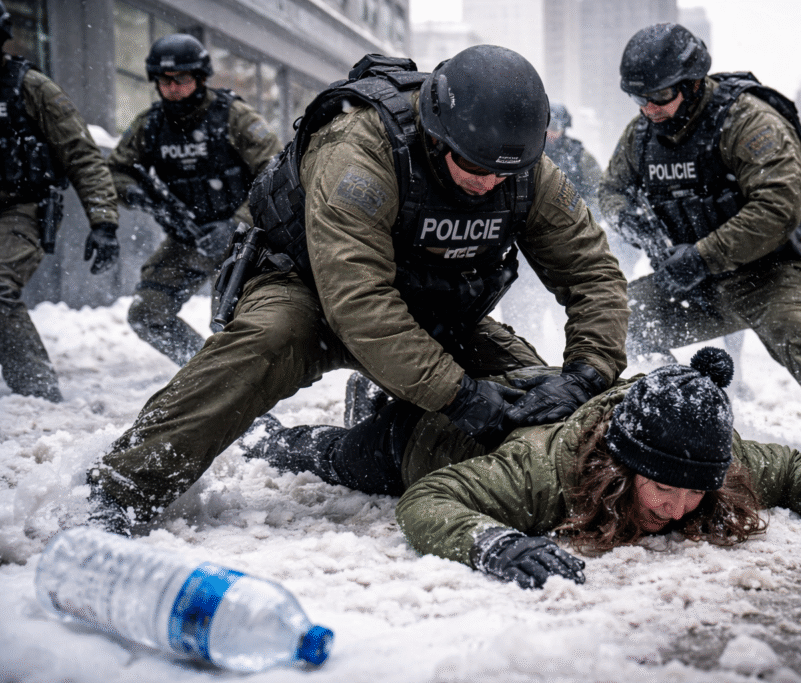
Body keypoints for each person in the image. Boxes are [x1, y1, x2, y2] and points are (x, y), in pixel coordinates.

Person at [78, 46, 628, 535]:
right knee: (264, 342)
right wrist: (458, 395)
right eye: (473, 167)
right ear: (438, 133)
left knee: (530, 404)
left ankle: (384, 423)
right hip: (310, 294)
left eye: (502, 175)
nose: (487, 184)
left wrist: (586, 374)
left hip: (433, 309)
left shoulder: (526, 170)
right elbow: (358, 302)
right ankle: (119, 490)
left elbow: (593, 274)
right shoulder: (360, 149)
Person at [238, 348, 801, 589]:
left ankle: (366, 403)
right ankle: (281, 436)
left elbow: (789, 468)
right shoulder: (541, 476)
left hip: (513, 399)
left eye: (694, 492)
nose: (679, 507)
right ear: (621, 467)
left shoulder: (694, 461)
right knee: (342, 455)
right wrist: (494, 541)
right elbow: (429, 499)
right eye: (664, 490)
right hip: (425, 441)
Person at [598, 23, 801, 481]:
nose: (649, 109)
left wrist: (701, 254)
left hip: (776, 271)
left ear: (692, 85)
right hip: (700, 282)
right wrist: (645, 233)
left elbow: (779, 206)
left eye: (659, 96)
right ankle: (660, 421)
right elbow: (611, 192)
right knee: (617, 323)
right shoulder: (641, 136)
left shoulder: (746, 121)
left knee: (798, 331)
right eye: (639, 99)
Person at [107, 33, 282, 366]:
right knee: (148, 313)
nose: (173, 87)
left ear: (200, 77)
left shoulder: (235, 116)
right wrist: (134, 194)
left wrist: (237, 223)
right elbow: (116, 170)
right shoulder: (151, 125)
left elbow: (275, 173)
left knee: (230, 326)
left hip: (243, 239)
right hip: (187, 237)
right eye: (165, 80)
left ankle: (243, 392)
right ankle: (204, 373)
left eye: (182, 79)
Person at [0, 1, 120, 403]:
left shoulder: (31, 87)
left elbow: (82, 154)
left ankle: (38, 394)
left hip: (20, 210)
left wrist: (103, 223)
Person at [499, 102, 605, 353]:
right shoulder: (526, 152)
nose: (551, 134)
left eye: (556, 127)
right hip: (523, 247)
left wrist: (574, 219)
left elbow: (598, 196)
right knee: (522, 315)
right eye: (547, 127)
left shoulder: (579, 157)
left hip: (562, 245)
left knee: (569, 310)